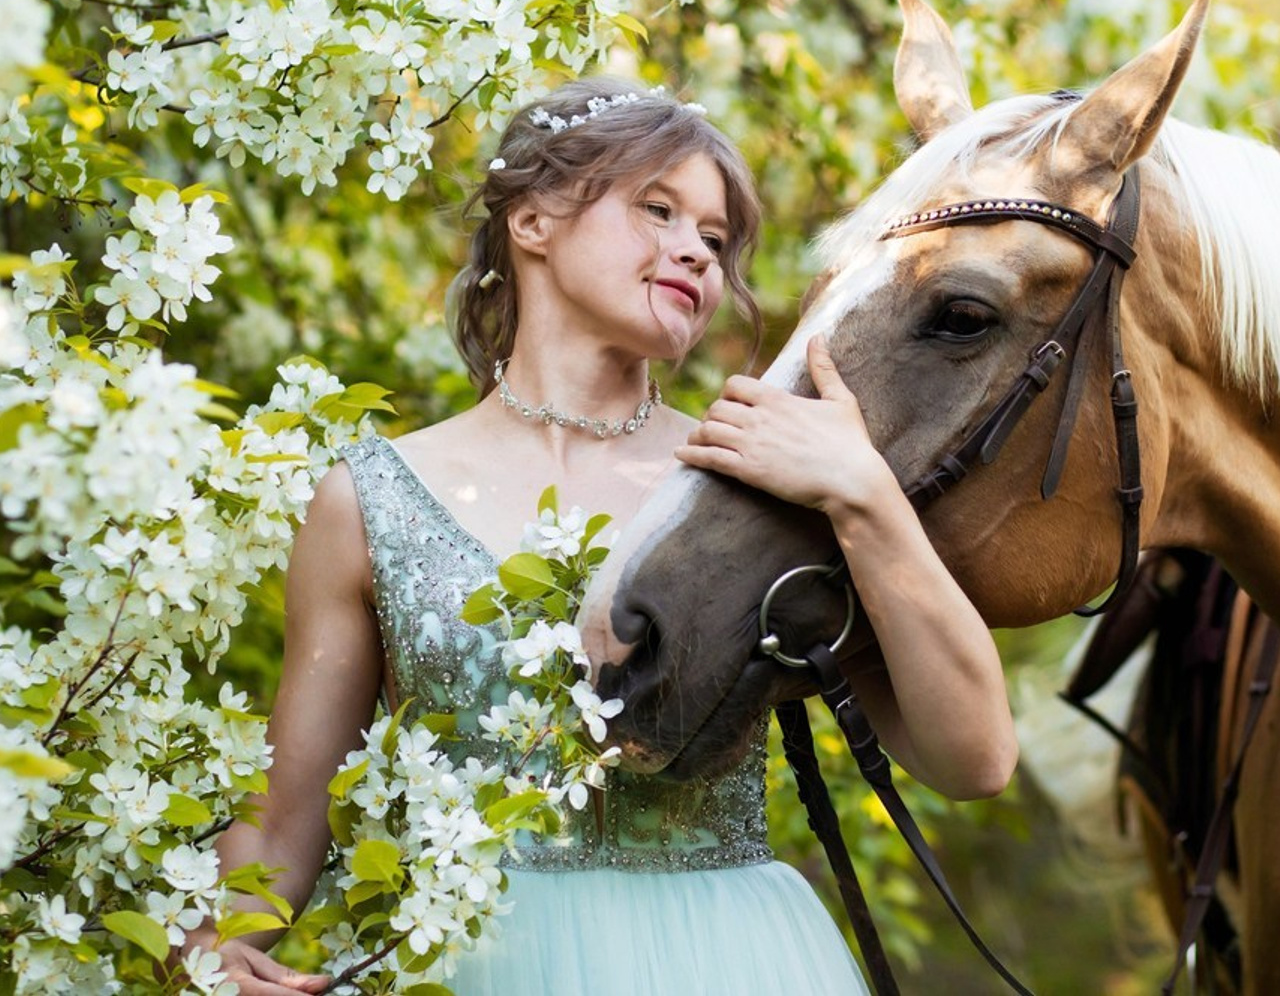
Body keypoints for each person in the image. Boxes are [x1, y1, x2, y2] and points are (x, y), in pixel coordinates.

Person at [184, 76, 1017, 994]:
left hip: (730, 965)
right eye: (657, 210)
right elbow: (282, 824)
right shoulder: (367, 499)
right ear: (533, 221)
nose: (696, 254)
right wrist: (210, 953)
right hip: (466, 964)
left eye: (714, 238)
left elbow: (972, 757)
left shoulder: (757, 485)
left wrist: (866, 499)